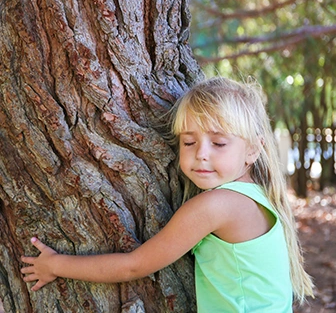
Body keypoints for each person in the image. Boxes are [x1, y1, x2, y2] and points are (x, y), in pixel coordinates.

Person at [21, 77, 314, 312]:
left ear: (253, 149)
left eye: (219, 143)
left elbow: (134, 265)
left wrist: (55, 265)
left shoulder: (218, 205)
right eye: (189, 142)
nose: (201, 154)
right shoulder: (255, 197)